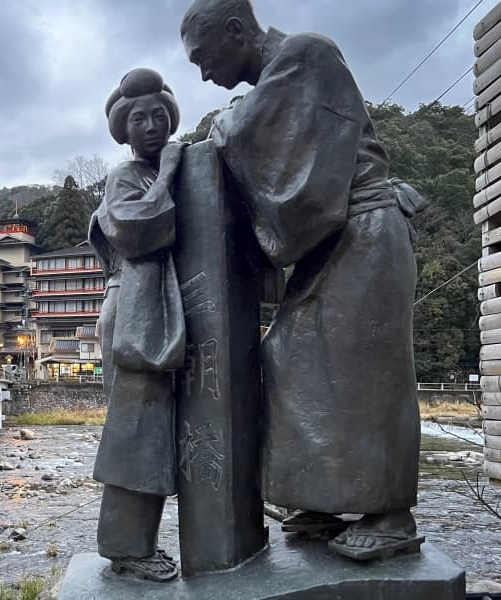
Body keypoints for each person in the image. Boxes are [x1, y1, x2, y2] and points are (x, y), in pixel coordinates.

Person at [180, 0, 428, 561]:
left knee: (371, 373)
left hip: (364, 230)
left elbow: (246, 133)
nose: (202, 74)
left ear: (237, 30)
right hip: (331, 243)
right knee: (289, 357)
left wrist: (224, 123)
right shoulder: (278, 74)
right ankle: (318, 501)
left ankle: (391, 515)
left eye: (203, 57)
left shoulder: (303, 54)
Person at [87, 68, 187, 582]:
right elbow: (134, 232)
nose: (150, 126)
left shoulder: (177, 167)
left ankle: (139, 544)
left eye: (158, 116)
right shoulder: (125, 178)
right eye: (138, 119)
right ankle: (127, 548)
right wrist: (169, 173)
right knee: (136, 431)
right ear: (124, 130)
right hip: (133, 310)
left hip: (163, 314)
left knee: (160, 432)